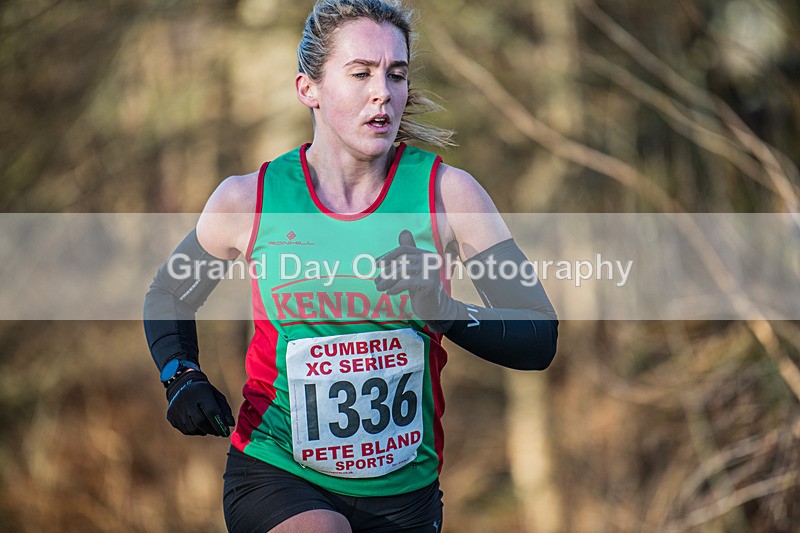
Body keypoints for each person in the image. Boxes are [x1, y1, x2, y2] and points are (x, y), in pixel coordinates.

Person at [144, 0, 558, 531]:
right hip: (277, 470)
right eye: (360, 72)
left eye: (396, 73)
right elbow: (170, 293)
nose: (382, 90)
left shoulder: (449, 195)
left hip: (405, 495)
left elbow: (539, 333)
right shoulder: (250, 199)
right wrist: (181, 375)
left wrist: (443, 310)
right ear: (308, 89)